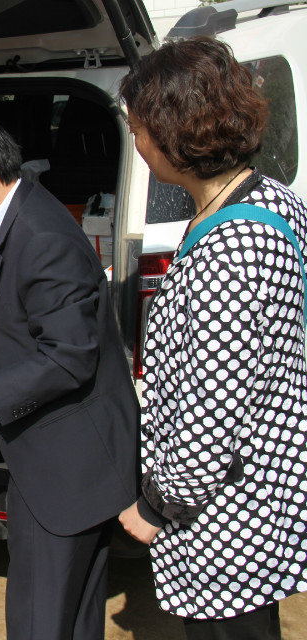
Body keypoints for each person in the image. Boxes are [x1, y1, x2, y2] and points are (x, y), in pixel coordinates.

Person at [0, 113, 139, 640]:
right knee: (69, 617)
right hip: (50, 454)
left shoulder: (42, 238)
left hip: (67, 463)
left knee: (43, 619)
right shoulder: (9, 217)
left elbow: (69, 358)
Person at [116, 37, 307, 640]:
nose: (137, 143)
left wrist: (156, 505)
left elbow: (211, 412)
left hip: (228, 518)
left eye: (138, 129)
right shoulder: (272, 199)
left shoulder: (230, 253)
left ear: (171, 133)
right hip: (264, 486)